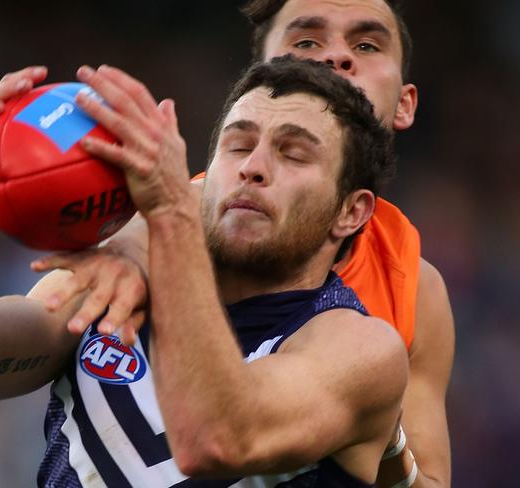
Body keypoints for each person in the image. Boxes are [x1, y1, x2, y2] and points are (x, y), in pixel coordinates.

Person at [0, 57, 408, 486]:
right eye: (238, 145)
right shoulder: (109, 289)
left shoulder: (359, 350)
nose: (253, 166)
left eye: (293, 155)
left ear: (351, 211)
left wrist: (171, 214)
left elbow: (215, 440)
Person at [30, 1, 454, 486]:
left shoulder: (413, 283)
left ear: (405, 102)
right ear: (266, 76)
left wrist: (377, 435)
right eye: (306, 42)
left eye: (365, 44)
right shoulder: (168, 217)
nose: (336, 57)